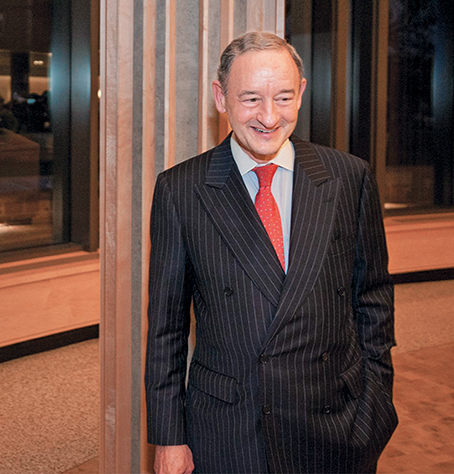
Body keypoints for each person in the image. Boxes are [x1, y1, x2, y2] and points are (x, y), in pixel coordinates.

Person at [145, 31, 397, 474]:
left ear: (300, 93)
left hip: (335, 427)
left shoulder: (347, 178)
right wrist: (169, 437)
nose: (268, 117)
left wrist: (374, 411)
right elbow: (165, 331)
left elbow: (372, 300)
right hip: (230, 431)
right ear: (220, 97)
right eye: (250, 99)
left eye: (283, 97)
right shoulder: (180, 190)